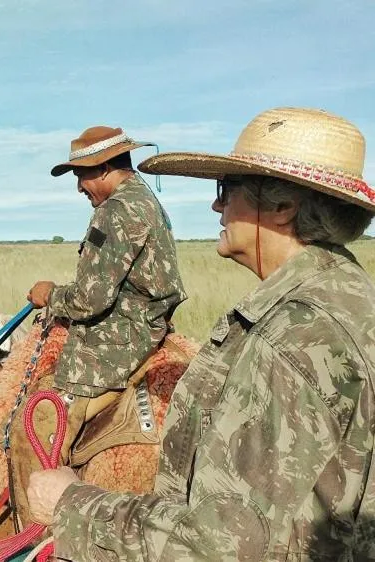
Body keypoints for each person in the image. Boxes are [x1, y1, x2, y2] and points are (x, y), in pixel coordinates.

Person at [27, 107, 375, 559]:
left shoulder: (287, 342)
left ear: (283, 207)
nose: (216, 205)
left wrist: (70, 505)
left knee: (40, 420)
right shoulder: (349, 296)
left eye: (226, 189)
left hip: (112, 346)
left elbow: (221, 545)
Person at [7, 126, 187, 514]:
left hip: (115, 341)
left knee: (33, 423)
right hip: (145, 326)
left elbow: (90, 299)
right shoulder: (143, 199)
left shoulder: (115, 211)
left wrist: (49, 296)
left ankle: (37, 529)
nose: (79, 187)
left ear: (104, 168)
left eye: (81, 175)